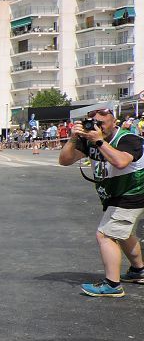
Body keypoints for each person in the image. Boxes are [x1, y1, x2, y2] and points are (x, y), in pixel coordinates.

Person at [58, 107, 144, 298]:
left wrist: (99, 141)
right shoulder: (89, 140)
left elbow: (120, 162)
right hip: (115, 195)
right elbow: (64, 161)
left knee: (105, 235)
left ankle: (112, 284)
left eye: (102, 124)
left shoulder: (128, 139)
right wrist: (73, 138)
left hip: (133, 193)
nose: (98, 127)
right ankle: (139, 271)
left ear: (115, 123)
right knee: (122, 233)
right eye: (94, 123)